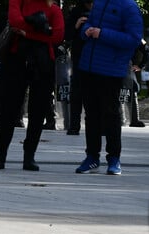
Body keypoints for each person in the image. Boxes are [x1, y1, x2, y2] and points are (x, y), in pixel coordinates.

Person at [0, 0, 64, 171]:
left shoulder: (53, 8)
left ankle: (29, 156)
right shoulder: (18, 1)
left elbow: (58, 36)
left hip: (42, 62)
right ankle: (0, 154)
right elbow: (15, 22)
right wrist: (42, 30)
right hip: (16, 60)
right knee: (8, 109)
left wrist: (27, 32)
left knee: (38, 111)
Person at [74, 0, 143, 175]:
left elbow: (134, 39)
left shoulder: (129, 6)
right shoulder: (98, 3)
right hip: (88, 66)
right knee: (91, 114)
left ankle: (114, 158)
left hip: (111, 69)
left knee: (111, 114)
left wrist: (102, 34)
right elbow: (89, 23)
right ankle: (92, 157)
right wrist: (85, 30)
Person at [65, 0, 92, 135]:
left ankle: (98, 125)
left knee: (95, 94)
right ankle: (74, 125)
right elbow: (67, 35)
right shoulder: (76, 12)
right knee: (77, 92)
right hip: (79, 56)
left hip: (96, 56)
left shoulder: (102, 11)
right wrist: (76, 26)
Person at [120, 38, 149, 128]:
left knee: (129, 90)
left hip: (124, 64)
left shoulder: (134, 35)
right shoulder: (133, 34)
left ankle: (127, 120)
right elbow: (148, 52)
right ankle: (128, 120)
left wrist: (140, 66)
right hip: (121, 64)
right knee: (125, 91)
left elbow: (148, 52)